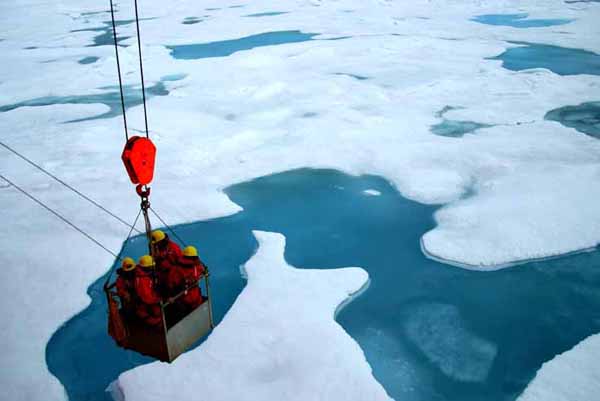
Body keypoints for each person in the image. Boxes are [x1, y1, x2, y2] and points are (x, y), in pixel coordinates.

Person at [169, 245, 206, 313]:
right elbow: (201, 271)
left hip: (184, 298)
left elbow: (172, 284)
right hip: (192, 297)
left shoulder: (176, 269)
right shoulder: (196, 266)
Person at [151, 230, 182, 297]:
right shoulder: (157, 249)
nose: (155, 245)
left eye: (156, 243)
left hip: (173, 277)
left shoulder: (174, 248)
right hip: (162, 277)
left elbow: (180, 262)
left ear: (161, 241)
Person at [134, 255, 162, 327]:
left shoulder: (142, 275)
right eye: (151, 266)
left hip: (148, 300)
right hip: (147, 304)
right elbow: (147, 298)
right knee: (157, 316)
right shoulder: (143, 280)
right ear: (146, 268)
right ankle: (158, 325)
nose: (152, 268)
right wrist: (158, 300)